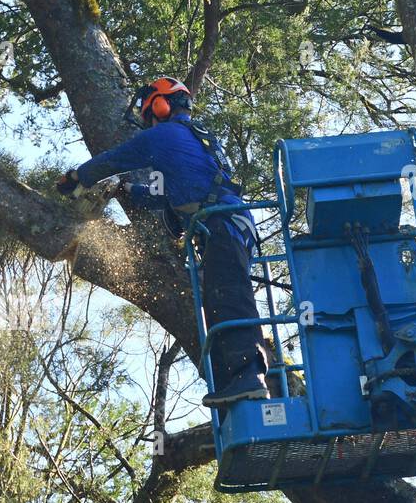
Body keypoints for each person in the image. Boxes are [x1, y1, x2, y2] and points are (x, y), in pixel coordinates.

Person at [55, 77, 269, 405]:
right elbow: (167, 195)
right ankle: (239, 380)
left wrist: (77, 178)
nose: (148, 121)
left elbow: (115, 158)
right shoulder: (194, 141)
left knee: (229, 299)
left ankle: (250, 376)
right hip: (228, 224)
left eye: (148, 112)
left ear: (160, 104)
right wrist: (127, 191)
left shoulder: (165, 134)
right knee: (218, 301)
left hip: (221, 224)